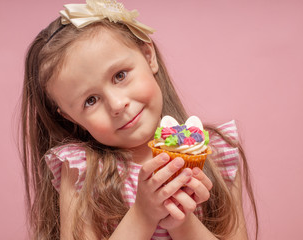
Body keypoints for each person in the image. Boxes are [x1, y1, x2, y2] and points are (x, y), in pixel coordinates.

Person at [20, 0, 258, 239]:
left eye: (120, 75)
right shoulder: (82, 170)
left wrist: (181, 221)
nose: (117, 104)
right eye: (91, 100)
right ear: (71, 118)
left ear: (148, 55)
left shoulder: (215, 153)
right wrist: (143, 215)